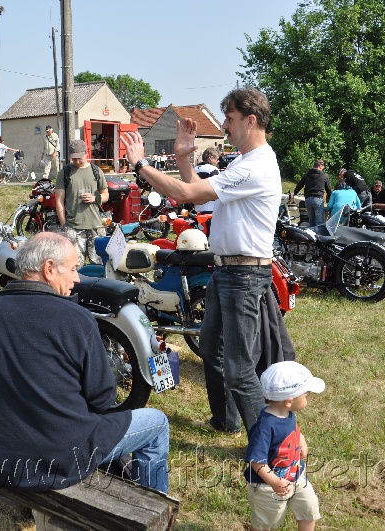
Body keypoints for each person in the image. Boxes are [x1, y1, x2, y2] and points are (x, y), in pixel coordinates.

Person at [0, 232, 169, 492]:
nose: (77, 278)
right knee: (157, 423)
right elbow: (102, 399)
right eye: (74, 269)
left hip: (4, 458)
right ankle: (151, 503)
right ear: (49, 269)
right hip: (65, 461)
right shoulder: (77, 319)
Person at [122, 87, 280, 436]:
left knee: (239, 367)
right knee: (211, 347)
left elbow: (185, 194)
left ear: (251, 120)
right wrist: (182, 158)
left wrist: (141, 164)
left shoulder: (256, 166)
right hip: (227, 269)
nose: (224, 126)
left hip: (245, 274)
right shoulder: (241, 162)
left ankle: (267, 445)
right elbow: (198, 195)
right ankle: (226, 422)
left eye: (230, 118)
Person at [245, 361, 324, 531]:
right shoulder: (264, 427)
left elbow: (293, 429)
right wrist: (274, 481)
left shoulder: (287, 413)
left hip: (296, 476)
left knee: (309, 510)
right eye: (306, 396)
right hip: (268, 486)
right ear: (289, 401)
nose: (308, 398)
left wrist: (301, 441)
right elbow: (256, 461)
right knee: (266, 522)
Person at [55, 138, 109, 268]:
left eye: (79, 158)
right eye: (74, 158)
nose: (77, 161)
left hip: (95, 226)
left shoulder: (96, 171)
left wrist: (95, 198)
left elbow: (106, 195)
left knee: (100, 265)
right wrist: (64, 226)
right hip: (73, 228)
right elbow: (59, 201)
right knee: (75, 267)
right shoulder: (64, 172)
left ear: (86, 153)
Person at [293, 159, 331, 227]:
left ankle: (312, 236)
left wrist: (294, 193)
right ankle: (319, 236)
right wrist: (331, 198)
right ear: (320, 166)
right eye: (323, 166)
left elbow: (299, 185)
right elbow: (328, 190)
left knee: (311, 222)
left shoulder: (306, 175)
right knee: (320, 222)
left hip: (307, 200)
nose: (323, 168)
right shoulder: (324, 176)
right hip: (318, 199)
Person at [193, 147, 221, 213]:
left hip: (197, 207)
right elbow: (218, 188)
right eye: (217, 159)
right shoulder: (213, 169)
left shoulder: (194, 169)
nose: (218, 161)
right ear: (211, 158)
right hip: (211, 208)